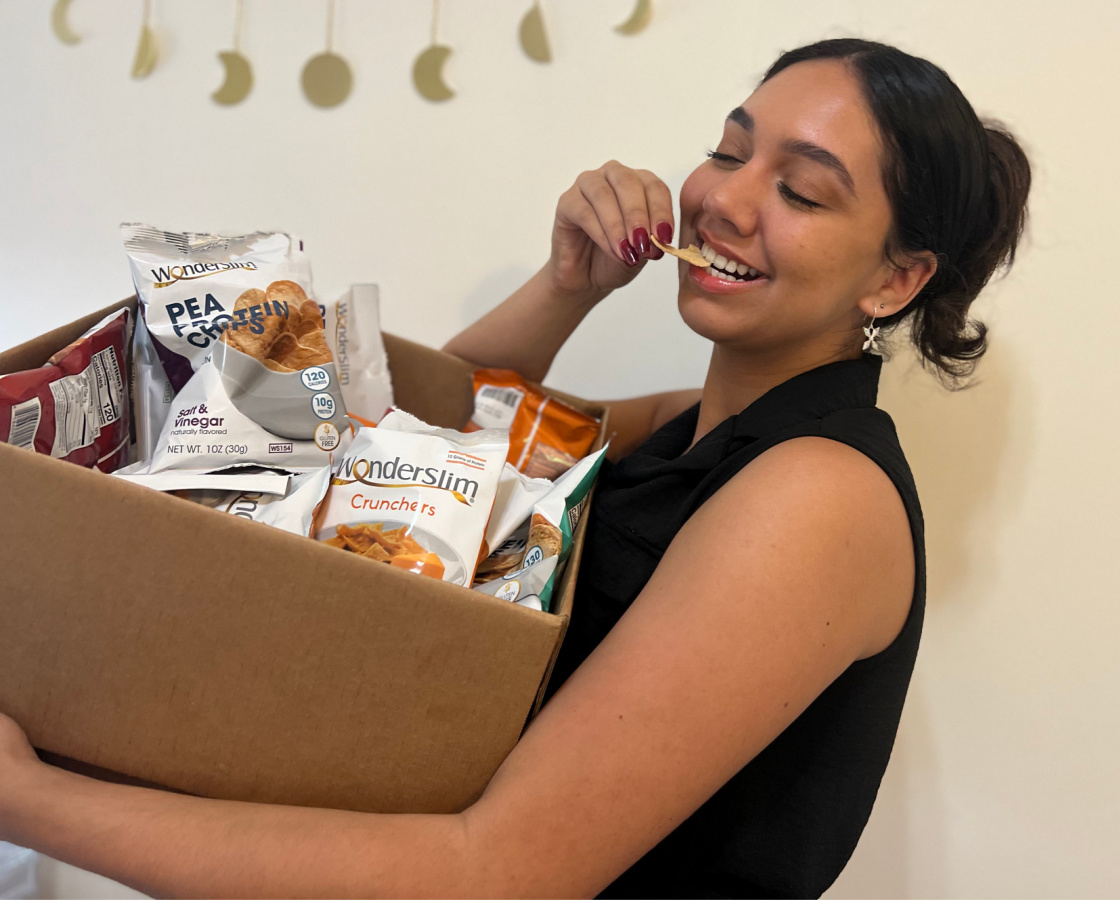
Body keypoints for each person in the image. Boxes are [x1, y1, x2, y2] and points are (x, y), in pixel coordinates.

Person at [0, 38, 1030, 898]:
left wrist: (32, 800)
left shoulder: (819, 498)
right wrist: (570, 283)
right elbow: (426, 442)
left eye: (801, 190)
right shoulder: (696, 427)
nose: (726, 199)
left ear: (896, 279)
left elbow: (499, 873)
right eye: (729, 150)